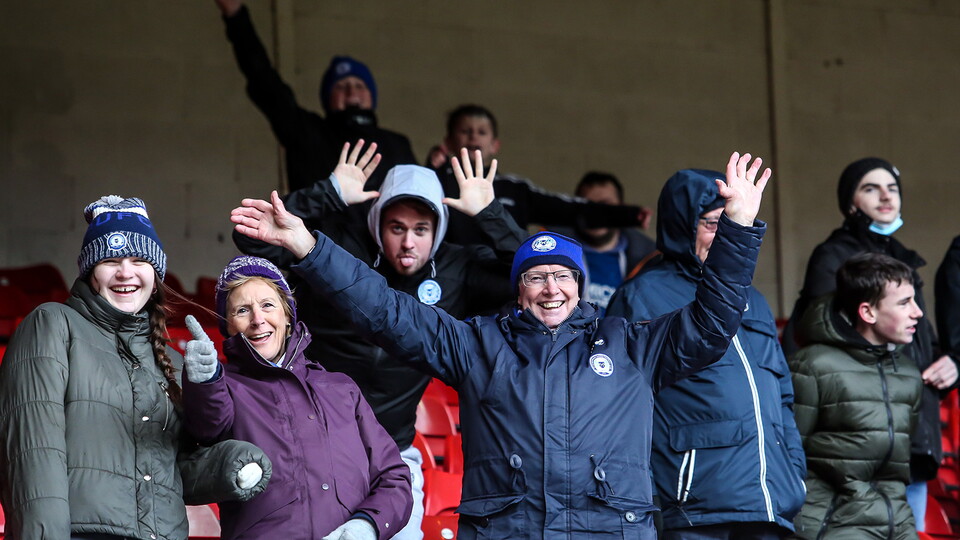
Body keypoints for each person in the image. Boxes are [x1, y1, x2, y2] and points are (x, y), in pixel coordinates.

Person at [230, 150, 770, 538]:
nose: (551, 287)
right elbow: (385, 308)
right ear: (518, 289)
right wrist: (307, 245)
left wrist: (739, 226)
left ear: (581, 287)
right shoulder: (477, 344)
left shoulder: (632, 345)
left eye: (563, 276)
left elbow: (711, 322)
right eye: (536, 277)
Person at [233, 142, 523, 539]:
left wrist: (490, 215)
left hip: (394, 453)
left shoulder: (460, 267)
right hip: (315, 446)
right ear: (376, 224)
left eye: (421, 230)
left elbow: (535, 278)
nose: (408, 243)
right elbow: (254, 240)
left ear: (438, 230)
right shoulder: (340, 246)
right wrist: (329, 193)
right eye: (396, 228)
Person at [0, 196, 270, 540]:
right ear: (90, 271)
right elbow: (34, 453)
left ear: (154, 273)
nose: (125, 272)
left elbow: (170, 468)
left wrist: (234, 462)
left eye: (139, 260)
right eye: (111, 260)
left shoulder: (165, 356)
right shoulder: (52, 324)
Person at [606, 168, 806, 539]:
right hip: (696, 506)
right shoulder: (641, 296)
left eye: (733, 224)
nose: (725, 235)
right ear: (682, 227)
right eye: (714, 224)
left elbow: (783, 398)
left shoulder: (756, 300)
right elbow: (622, 407)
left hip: (770, 502)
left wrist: (793, 470)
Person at [181, 255, 412, 540]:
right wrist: (205, 381)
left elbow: (394, 477)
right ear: (228, 325)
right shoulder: (224, 388)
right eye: (242, 310)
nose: (257, 319)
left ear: (287, 315)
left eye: (267, 305)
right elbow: (207, 427)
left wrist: (367, 525)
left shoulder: (341, 388)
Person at [782, 157, 958, 527]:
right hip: (856, 447)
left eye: (892, 188)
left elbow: (923, 341)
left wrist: (952, 362)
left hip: (909, 443)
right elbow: (823, 338)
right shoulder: (832, 256)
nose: (885, 196)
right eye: (870, 188)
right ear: (850, 202)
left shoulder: (903, 258)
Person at [213, 0, 416, 192]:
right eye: (341, 86)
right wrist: (235, 15)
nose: (352, 92)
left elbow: (423, 202)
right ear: (328, 98)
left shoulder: (397, 145)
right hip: (312, 230)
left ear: (372, 95)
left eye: (359, 85)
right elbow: (264, 81)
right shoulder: (306, 132)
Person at [789, 253, 924, 540]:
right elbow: (788, 455)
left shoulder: (909, 374)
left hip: (898, 523)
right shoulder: (813, 366)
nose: (918, 312)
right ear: (868, 313)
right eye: (904, 303)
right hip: (833, 525)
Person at [428, 104, 653, 245]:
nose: (473, 138)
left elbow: (571, 209)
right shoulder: (434, 180)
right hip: (449, 280)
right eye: (465, 131)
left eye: (482, 132)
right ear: (448, 141)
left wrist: (627, 215)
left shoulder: (515, 189)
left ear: (495, 144)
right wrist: (431, 167)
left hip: (502, 283)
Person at [570, 171, 655, 313]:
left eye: (606, 206)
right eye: (588, 206)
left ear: (621, 208)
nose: (596, 214)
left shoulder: (650, 259)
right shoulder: (555, 254)